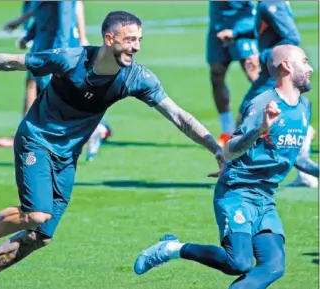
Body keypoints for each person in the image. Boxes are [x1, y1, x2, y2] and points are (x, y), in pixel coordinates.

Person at [0, 11, 225, 289]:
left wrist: (215, 147)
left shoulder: (136, 78)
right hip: (36, 140)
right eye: (130, 40)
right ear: (110, 39)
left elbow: (179, 116)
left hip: (67, 158)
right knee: (38, 214)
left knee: (40, 238)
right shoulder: (72, 59)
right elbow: (11, 61)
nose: (136, 47)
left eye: (139, 40)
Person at [134, 45, 319, 289]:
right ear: (286, 65)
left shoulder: (304, 107)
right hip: (238, 192)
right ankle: (172, 248)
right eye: (304, 62)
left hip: (265, 198)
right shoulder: (262, 104)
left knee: (273, 266)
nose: (311, 68)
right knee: (239, 263)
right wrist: (260, 129)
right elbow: (230, 149)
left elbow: (294, 157)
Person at [217, 0, 317, 187]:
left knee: (245, 117)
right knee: (251, 119)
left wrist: (263, 57)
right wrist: (236, 33)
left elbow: (292, 38)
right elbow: (266, 31)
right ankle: (303, 173)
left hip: (275, 73)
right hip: (270, 72)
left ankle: (241, 177)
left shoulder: (270, 3)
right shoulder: (266, 3)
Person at [0, 1, 93, 148]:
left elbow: (65, 17)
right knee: (35, 83)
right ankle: (29, 133)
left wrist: (60, 51)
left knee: (48, 87)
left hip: (54, 44)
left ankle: (83, 129)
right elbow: (44, 8)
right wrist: (30, 34)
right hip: (45, 40)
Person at [207, 1, 259, 147]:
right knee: (216, 75)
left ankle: (275, 125)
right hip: (217, 22)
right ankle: (227, 131)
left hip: (241, 22)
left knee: (255, 76)